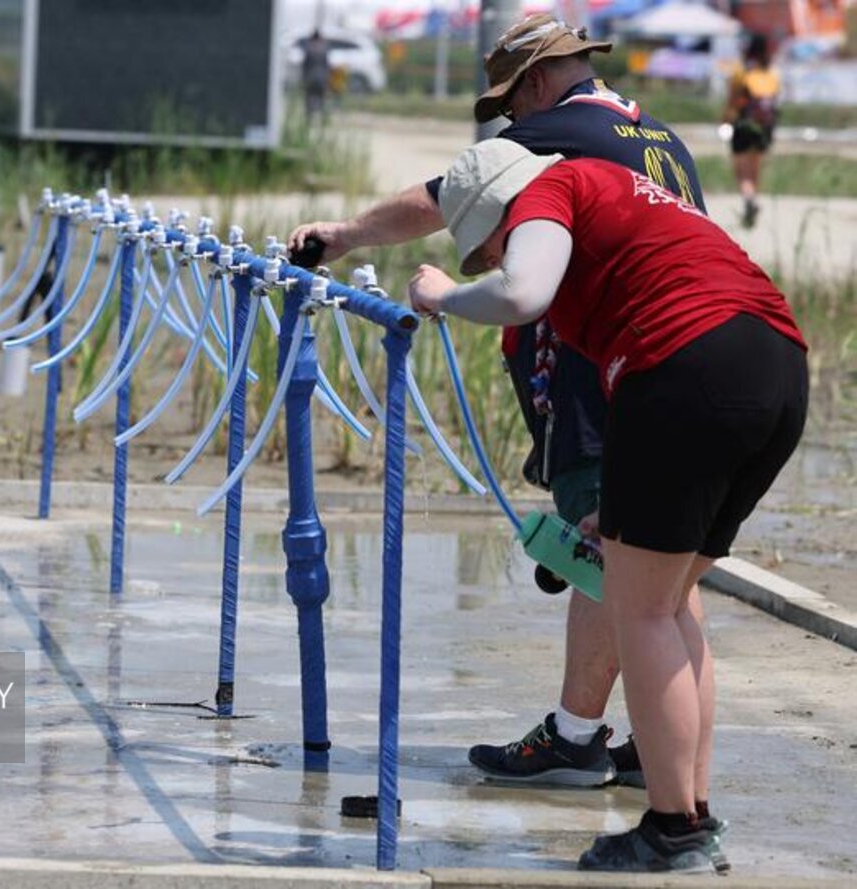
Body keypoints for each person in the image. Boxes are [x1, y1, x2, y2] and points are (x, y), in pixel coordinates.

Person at [289, 14, 707, 789]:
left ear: (540, 83)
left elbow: (444, 199)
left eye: (512, 103)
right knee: (667, 580)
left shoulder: (559, 133)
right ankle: (659, 740)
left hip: (602, 374)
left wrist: (344, 235)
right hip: (679, 367)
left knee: (618, 563)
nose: (513, 122)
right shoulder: (662, 140)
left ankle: (577, 735)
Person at [409, 137, 807, 873]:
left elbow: (522, 292)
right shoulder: (615, 195)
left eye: (490, 249)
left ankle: (671, 828)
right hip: (775, 366)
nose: (496, 261)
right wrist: (621, 503)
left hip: (689, 363)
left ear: (501, 213)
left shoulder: (548, 193)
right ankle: (693, 810)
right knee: (674, 600)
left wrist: (443, 297)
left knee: (644, 612)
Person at [723, 33, 780, 228]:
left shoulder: (741, 71)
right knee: (754, 170)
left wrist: (726, 120)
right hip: (765, 128)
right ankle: (753, 198)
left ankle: (748, 199)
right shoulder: (771, 72)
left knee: (741, 171)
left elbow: (732, 100)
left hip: (743, 126)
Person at [301, 29, 331, 123]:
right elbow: (327, 65)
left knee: (308, 100)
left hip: (310, 78)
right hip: (322, 78)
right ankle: (324, 120)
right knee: (322, 99)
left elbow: (305, 66)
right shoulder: (324, 49)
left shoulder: (308, 49)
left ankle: (308, 119)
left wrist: (304, 79)